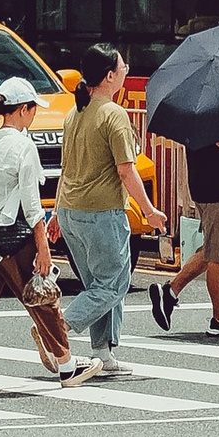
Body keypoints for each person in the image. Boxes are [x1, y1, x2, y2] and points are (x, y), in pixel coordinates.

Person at [0, 82, 92, 394]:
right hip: (14, 239)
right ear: (23, 109)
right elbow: (31, 204)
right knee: (41, 298)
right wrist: (43, 247)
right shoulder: (23, 146)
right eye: (33, 109)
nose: (34, 115)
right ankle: (67, 364)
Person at [56, 41, 165, 380]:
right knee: (113, 285)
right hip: (101, 212)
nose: (126, 71)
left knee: (98, 284)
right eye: (122, 68)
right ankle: (56, 328)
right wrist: (149, 210)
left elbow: (65, 167)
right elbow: (126, 170)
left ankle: (103, 353)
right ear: (108, 77)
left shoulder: (75, 112)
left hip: (71, 211)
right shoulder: (113, 114)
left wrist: (56, 213)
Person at [151, 123, 219, 343]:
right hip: (218, 189)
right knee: (218, 255)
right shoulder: (217, 113)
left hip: (206, 185)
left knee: (213, 248)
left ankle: (170, 292)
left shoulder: (197, 112)